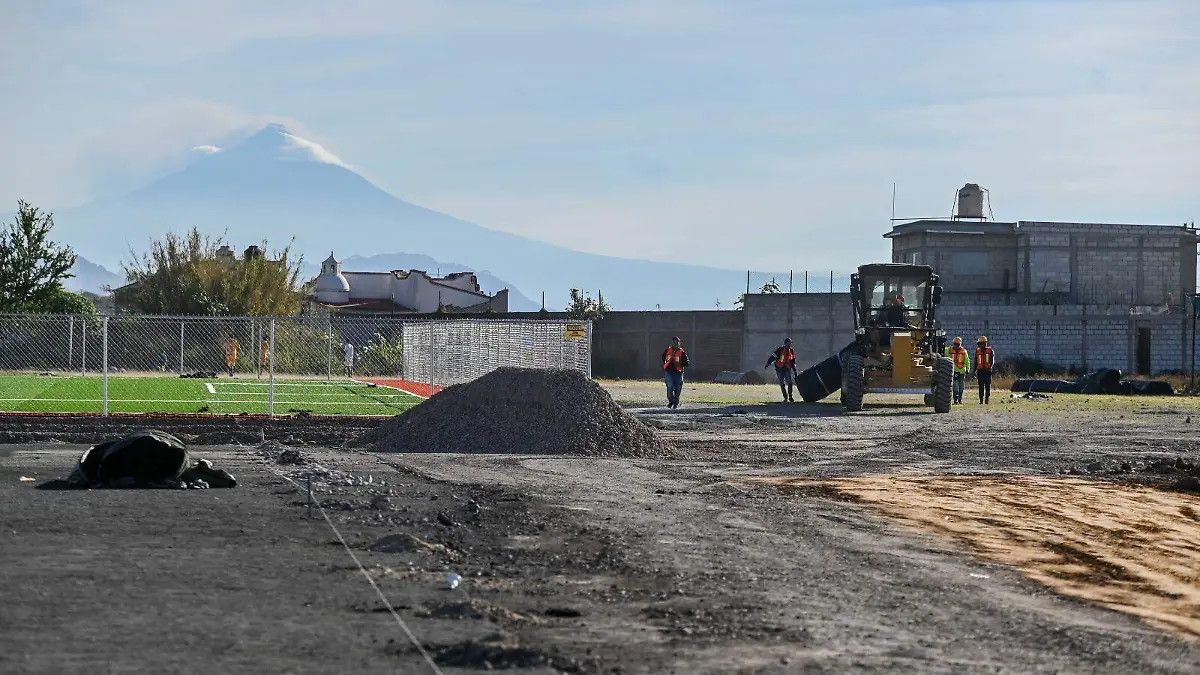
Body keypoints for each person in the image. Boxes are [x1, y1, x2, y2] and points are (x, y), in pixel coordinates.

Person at [764, 337, 799, 403]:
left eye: (790, 344)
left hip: (787, 368)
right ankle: (785, 398)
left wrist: (794, 370)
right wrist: (768, 363)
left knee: (790, 383)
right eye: (788, 343)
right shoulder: (779, 350)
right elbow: (773, 357)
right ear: (785, 344)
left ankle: (790, 397)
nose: (789, 345)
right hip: (779, 369)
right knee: (782, 383)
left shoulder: (791, 350)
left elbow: (793, 360)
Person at [661, 336, 689, 409]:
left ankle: (676, 403)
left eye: (677, 342)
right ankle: (671, 401)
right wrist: (667, 363)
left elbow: (687, 363)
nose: (675, 343)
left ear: (679, 343)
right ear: (672, 343)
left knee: (678, 389)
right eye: (674, 342)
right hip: (669, 373)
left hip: (678, 373)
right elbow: (663, 357)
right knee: (669, 387)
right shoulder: (667, 350)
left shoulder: (682, 352)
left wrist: (679, 362)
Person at [945, 336, 971, 404]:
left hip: (962, 371)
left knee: (961, 387)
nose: (956, 346)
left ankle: (960, 399)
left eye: (958, 344)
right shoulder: (948, 350)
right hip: (953, 371)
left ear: (960, 344)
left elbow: (967, 361)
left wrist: (968, 369)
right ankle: (955, 400)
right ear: (953, 343)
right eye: (955, 344)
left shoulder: (964, 352)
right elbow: (942, 350)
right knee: (955, 386)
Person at [975, 336, 995, 404]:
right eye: (979, 344)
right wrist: (974, 371)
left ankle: (987, 399)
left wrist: (990, 367)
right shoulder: (977, 351)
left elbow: (992, 361)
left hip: (987, 371)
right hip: (980, 371)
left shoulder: (990, 351)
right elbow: (975, 362)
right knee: (981, 387)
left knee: (987, 386)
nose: (980, 345)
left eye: (981, 343)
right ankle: (981, 400)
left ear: (985, 343)